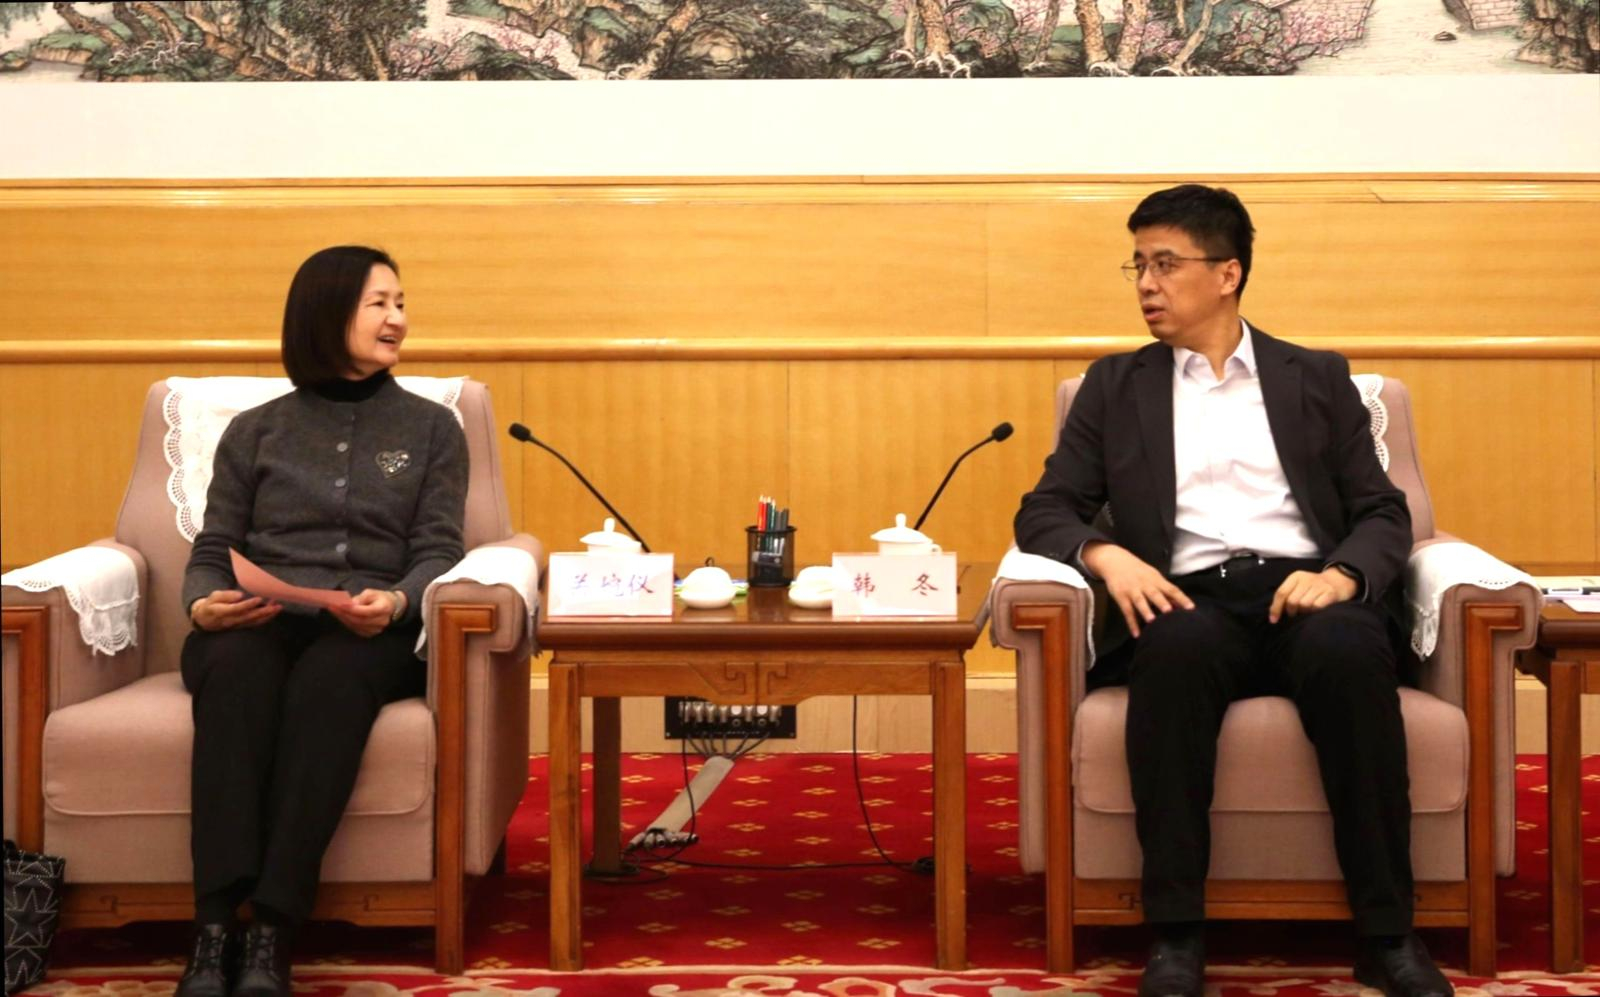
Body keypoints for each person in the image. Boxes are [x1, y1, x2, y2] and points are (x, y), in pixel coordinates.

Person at [1014, 185, 1450, 997]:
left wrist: (1341, 576)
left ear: (1228, 273)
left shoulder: (1314, 377)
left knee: (1351, 650)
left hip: (1304, 593)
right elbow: (1044, 509)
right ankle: (1176, 935)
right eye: (1138, 265)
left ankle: (1388, 933)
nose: (1147, 284)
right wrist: (1108, 556)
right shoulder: (1115, 386)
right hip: (1186, 598)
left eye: (1165, 264)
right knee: (1173, 653)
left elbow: (1382, 510)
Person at [175, 246, 468, 997]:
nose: (398, 318)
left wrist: (398, 602)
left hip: (368, 631)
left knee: (329, 683)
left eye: (400, 302)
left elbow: (439, 550)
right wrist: (204, 603)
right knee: (234, 673)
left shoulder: (433, 429)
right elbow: (214, 547)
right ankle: (213, 927)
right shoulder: (256, 430)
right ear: (326, 312)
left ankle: (273, 927)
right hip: (260, 618)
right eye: (379, 303)